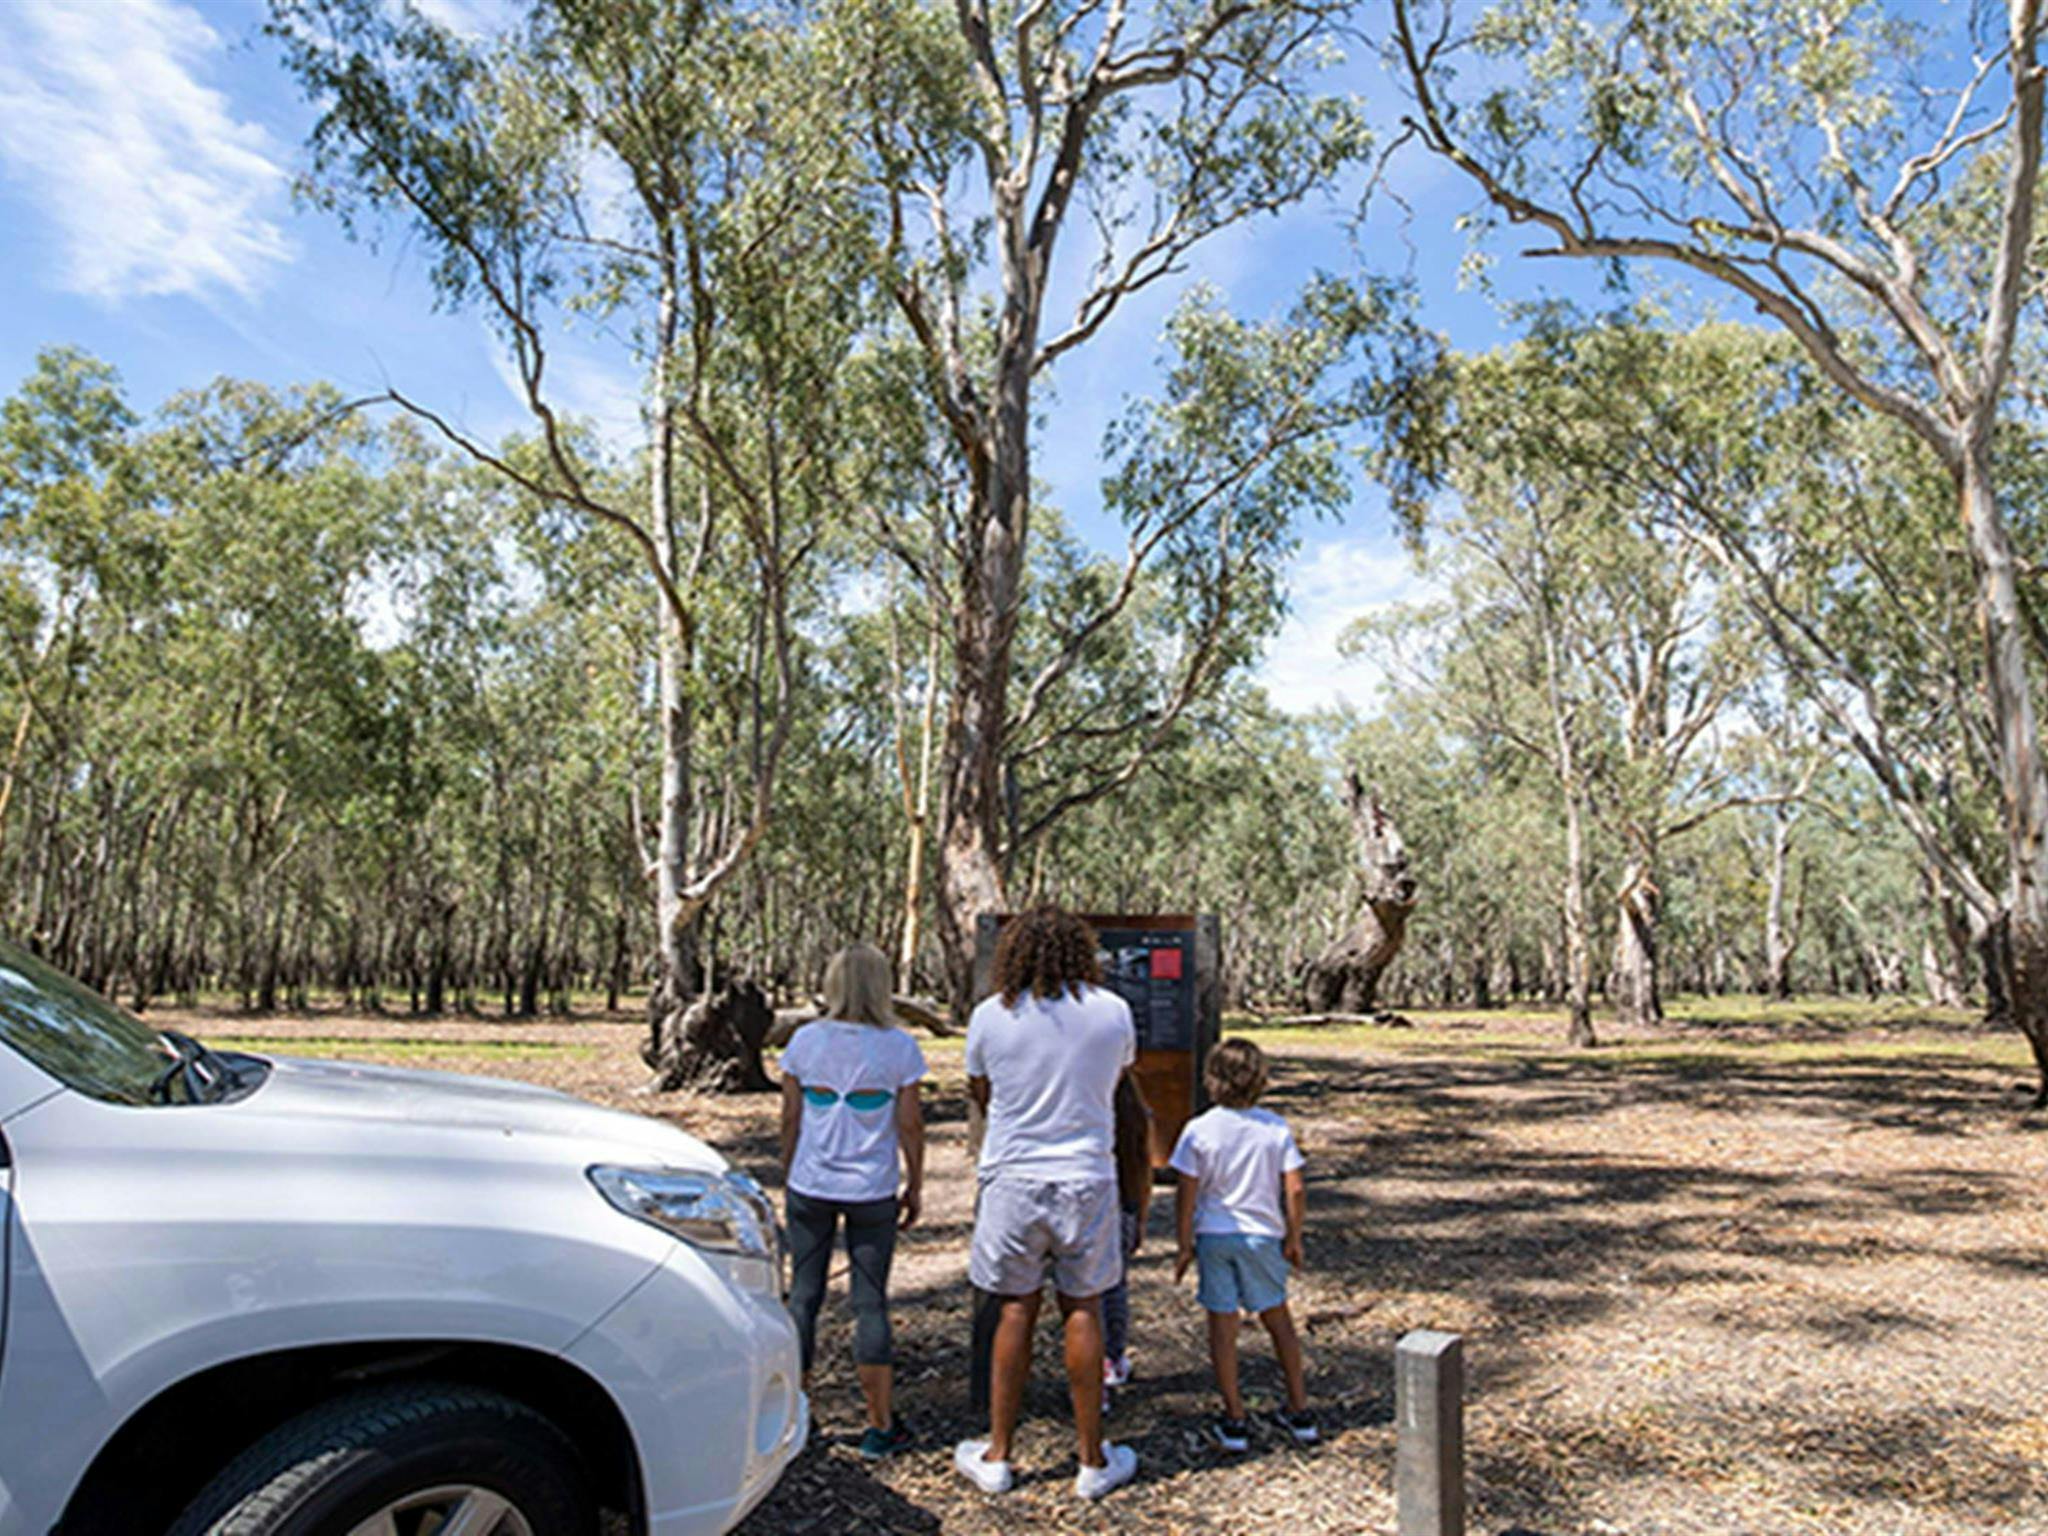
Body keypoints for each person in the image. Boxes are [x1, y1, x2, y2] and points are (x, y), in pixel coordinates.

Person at [953, 906, 1141, 1501]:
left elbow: (982, 1092)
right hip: (1087, 1176)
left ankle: (999, 1454)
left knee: (1013, 1308)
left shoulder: (990, 1016)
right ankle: (1091, 1459)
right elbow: (1115, 1084)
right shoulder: (1113, 1013)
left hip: (1013, 1177)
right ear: (1081, 954)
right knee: (1083, 1305)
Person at [778, 943, 927, 1461]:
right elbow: (909, 1123)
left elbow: (792, 1117)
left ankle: (793, 1418)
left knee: (803, 1296)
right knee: (870, 1302)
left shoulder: (804, 1042)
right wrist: (916, 1182)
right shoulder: (899, 1048)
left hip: (810, 1185)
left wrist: (788, 1169)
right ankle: (880, 1425)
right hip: (871, 1190)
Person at [1171, 1037, 1318, 1452]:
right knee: (1279, 1320)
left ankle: (1234, 1417)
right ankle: (1300, 1409)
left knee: (1222, 1325)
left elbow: (1186, 1191)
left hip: (1214, 1236)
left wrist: (1184, 1244)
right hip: (1262, 1236)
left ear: (1211, 1079)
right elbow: (1295, 1187)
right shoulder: (1274, 1127)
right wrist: (1293, 1236)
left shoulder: (1198, 1130)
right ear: (1261, 1079)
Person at [1100, 1071, 1155, 1402]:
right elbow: (1142, 1170)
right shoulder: (1135, 1115)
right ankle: (1113, 1357)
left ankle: (1095, 1369)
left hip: (1089, 1206)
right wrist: (1140, 1217)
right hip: (1124, 1207)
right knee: (1115, 1289)